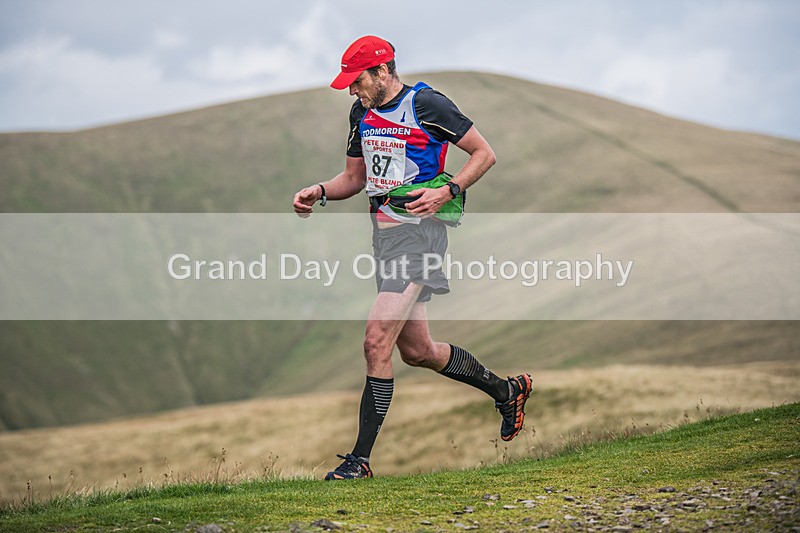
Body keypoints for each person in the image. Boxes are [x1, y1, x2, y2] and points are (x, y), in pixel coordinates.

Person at [292, 35, 532, 480]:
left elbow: (485, 153)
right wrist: (321, 191)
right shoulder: (360, 112)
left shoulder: (428, 105)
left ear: (382, 71)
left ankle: (359, 461)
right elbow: (353, 178)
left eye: (357, 80)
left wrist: (448, 189)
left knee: (375, 340)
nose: (351, 90)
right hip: (384, 239)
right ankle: (506, 390)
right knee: (418, 351)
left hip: (421, 235)